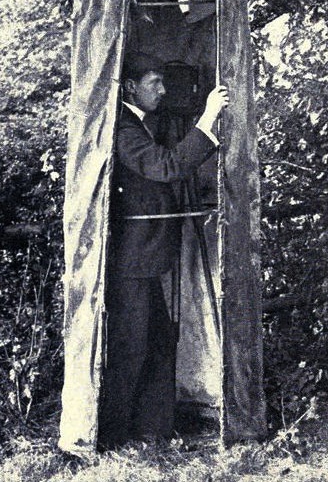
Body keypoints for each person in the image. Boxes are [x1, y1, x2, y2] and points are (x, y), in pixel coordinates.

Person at [97, 52, 229, 449]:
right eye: (155, 82)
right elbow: (167, 167)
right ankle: (113, 437)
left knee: (154, 343)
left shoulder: (137, 125)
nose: (163, 90)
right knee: (131, 346)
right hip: (131, 262)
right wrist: (207, 118)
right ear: (131, 87)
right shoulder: (122, 129)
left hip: (144, 258)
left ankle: (151, 432)